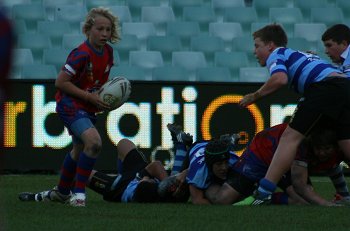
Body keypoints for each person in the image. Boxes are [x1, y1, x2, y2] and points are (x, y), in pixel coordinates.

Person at [238, 23, 350, 205]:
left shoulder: (277, 54)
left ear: (270, 45)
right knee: (345, 143)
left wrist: (254, 96)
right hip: (345, 87)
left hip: (326, 88)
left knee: (290, 138)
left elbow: (280, 79)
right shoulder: (298, 54)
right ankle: (344, 195)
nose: (254, 51)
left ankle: (263, 192)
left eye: (257, 46)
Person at [36, 7, 121, 207]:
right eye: (100, 29)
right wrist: (89, 97)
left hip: (87, 106)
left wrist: (103, 99)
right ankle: (79, 194)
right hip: (70, 104)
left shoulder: (108, 52)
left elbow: (98, 84)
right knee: (94, 142)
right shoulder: (81, 54)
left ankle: (62, 193)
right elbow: (61, 82)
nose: (105, 34)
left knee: (78, 149)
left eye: (108, 30)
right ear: (88, 30)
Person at [205, 123, 350, 206]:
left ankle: (265, 197)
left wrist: (344, 195)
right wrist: (327, 205)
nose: (322, 153)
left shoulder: (338, 146)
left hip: (285, 163)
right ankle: (205, 178)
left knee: (302, 202)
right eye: (319, 149)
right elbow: (300, 186)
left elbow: (333, 166)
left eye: (326, 149)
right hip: (260, 155)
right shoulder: (303, 143)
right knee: (222, 200)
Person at [19, 139, 189, 203]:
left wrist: (165, 180)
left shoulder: (149, 190)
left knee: (79, 174)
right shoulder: (174, 191)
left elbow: (156, 166)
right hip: (137, 176)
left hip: (119, 187)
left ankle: (45, 196)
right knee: (124, 144)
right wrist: (181, 148)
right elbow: (164, 172)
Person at [166, 123, 240, 205]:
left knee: (229, 158)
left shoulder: (234, 160)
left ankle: (229, 143)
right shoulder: (198, 171)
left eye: (226, 162)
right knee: (175, 186)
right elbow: (197, 200)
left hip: (213, 145)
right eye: (219, 164)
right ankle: (181, 143)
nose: (224, 168)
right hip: (197, 147)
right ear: (210, 165)